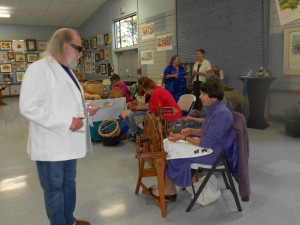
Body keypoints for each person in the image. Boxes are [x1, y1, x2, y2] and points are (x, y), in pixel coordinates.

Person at [19, 28, 99, 225]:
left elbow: (67, 102)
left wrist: (87, 108)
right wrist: (66, 122)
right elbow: (28, 107)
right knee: (55, 190)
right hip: (51, 146)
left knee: (68, 185)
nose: (81, 53)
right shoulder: (39, 69)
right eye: (79, 48)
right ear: (65, 46)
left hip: (68, 145)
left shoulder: (67, 70)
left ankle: (69, 221)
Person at [149, 75, 233, 201]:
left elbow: (206, 142)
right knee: (171, 148)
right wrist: (192, 131)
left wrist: (183, 137)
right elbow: (207, 131)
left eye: (203, 94)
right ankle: (168, 185)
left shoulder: (221, 113)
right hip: (212, 147)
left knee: (174, 154)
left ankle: (169, 191)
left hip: (214, 154)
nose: (200, 97)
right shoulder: (214, 108)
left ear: (214, 96)